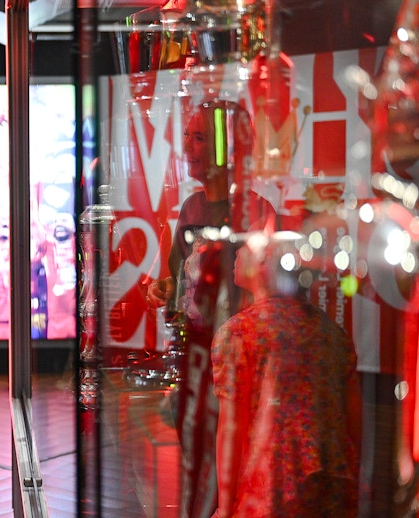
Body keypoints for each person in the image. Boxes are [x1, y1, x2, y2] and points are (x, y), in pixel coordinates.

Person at [146, 100, 276, 517]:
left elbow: (265, 297)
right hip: (193, 357)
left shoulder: (257, 212)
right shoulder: (189, 209)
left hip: (234, 366)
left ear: (228, 150)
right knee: (197, 458)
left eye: (198, 137)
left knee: (230, 462)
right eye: (186, 135)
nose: (187, 145)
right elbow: (180, 278)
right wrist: (167, 288)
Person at [211, 230, 362, 517]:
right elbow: (353, 417)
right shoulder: (330, 331)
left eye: (244, 247)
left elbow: (231, 426)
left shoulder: (239, 333)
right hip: (333, 485)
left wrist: (226, 506)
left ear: (265, 261)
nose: (236, 253)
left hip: (272, 489)